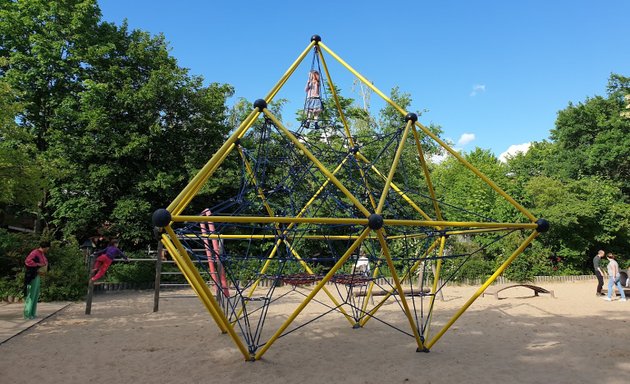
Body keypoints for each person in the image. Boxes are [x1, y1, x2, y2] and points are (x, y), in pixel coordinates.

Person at [23, 241, 50, 319]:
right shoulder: (35, 252)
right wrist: (38, 265)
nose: (48, 249)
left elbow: (45, 263)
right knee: (31, 295)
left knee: (36, 294)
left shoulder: (42, 254)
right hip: (32, 276)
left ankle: (32, 313)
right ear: (46, 247)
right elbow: (27, 261)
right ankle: (27, 314)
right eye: (48, 248)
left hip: (37, 276)